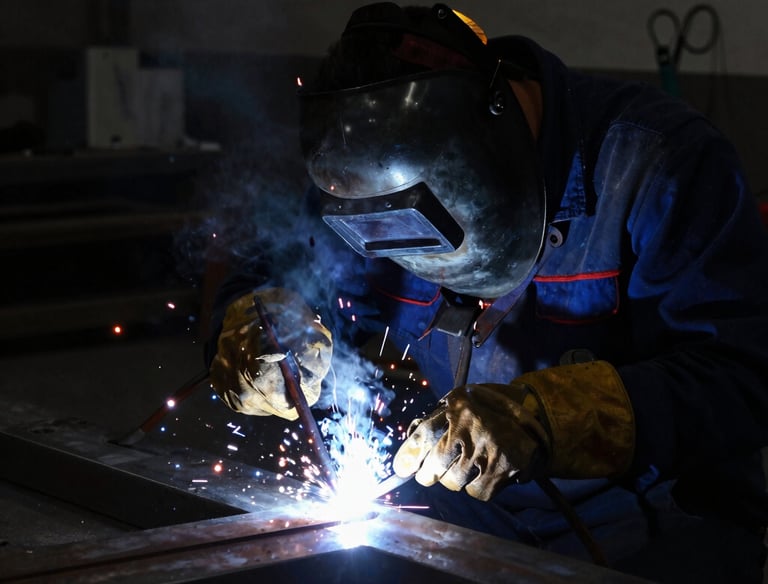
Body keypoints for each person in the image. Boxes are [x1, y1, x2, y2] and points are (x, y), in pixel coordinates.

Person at [206, 3, 768, 581]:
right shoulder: (362, 169)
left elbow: (745, 376)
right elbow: (272, 272)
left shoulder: (656, 163)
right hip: (467, 509)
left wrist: (551, 417)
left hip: (652, 522)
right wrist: (255, 323)